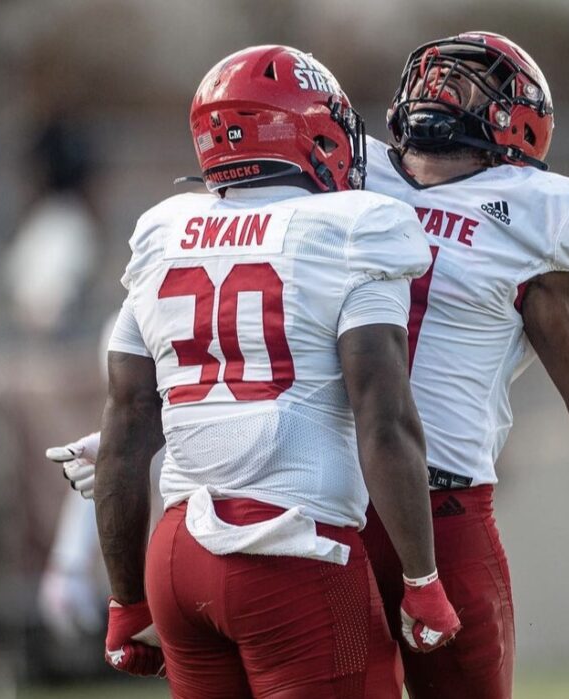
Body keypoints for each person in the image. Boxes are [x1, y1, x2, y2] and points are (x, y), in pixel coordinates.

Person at [51, 31, 569, 699]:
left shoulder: (344, 184)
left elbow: (241, 318)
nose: (445, 91)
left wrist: (148, 432)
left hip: (327, 505)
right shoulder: (374, 190)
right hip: (408, 513)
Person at [90, 45, 460, 698]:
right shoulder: (353, 228)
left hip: (178, 558)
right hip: (292, 551)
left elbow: (126, 424)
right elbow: (385, 419)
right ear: (310, 129)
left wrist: (124, 597)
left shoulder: (165, 231)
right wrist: (422, 577)